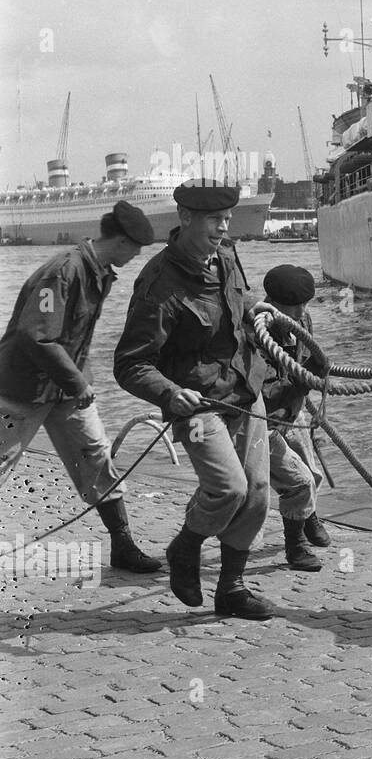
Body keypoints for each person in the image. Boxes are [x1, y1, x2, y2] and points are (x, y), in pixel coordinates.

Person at [114, 180, 273, 621]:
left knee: (258, 492)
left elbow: (238, 306)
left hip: (247, 390)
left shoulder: (225, 254)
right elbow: (130, 363)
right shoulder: (158, 283)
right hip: (197, 401)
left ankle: (232, 589)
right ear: (185, 218)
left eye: (227, 219)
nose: (223, 228)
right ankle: (186, 546)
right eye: (214, 220)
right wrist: (169, 393)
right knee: (229, 488)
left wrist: (259, 314)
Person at [0, 201, 161, 573]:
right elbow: (36, 335)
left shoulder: (98, 271)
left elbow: (74, 337)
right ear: (120, 241)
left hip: (63, 390)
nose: (137, 256)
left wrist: (76, 381)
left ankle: (123, 545)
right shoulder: (65, 270)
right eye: (136, 248)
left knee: (96, 456)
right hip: (21, 390)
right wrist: (76, 380)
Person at [261, 265, 330, 573]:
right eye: (295, 305)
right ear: (273, 302)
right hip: (262, 421)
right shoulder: (254, 332)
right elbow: (264, 392)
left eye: (306, 304)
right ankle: (295, 548)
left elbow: (307, 358)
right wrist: (306, 379)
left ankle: (308, 517)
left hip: (293, 410)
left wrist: (319, 367)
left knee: (312, 475)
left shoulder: (301, 320)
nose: (301, 311)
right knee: (299, 482)